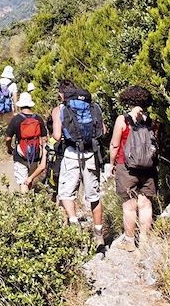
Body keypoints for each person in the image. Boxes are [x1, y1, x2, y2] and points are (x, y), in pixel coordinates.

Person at [52, 80, 107, 247]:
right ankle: (99, 235)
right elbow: (103, 130)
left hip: (71, 154)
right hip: (90, 153)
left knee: (66, 193)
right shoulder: (93, 106)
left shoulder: (60, 109)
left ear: (62, 94)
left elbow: (56, 136)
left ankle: (75, 224)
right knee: (94, 196)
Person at [109, 85, 159, 252]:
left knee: (129, 205)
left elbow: (115, 145)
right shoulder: (152, 122)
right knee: (145, 204)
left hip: (126, 166)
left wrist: (112, 163)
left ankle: (130, 242)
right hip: (148, 168)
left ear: (128, 100)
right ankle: (144, 241)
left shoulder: (122, 120)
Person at [5, 92, 47, 193]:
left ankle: (25, 204)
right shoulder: (38, 118)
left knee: (23, 182)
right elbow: (44, 138)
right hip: (35, 153)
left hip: (21, 154)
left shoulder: (16, 119)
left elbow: (8, 139)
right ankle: (31, 198)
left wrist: (9, 148)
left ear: (20, 106)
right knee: (30, 178)